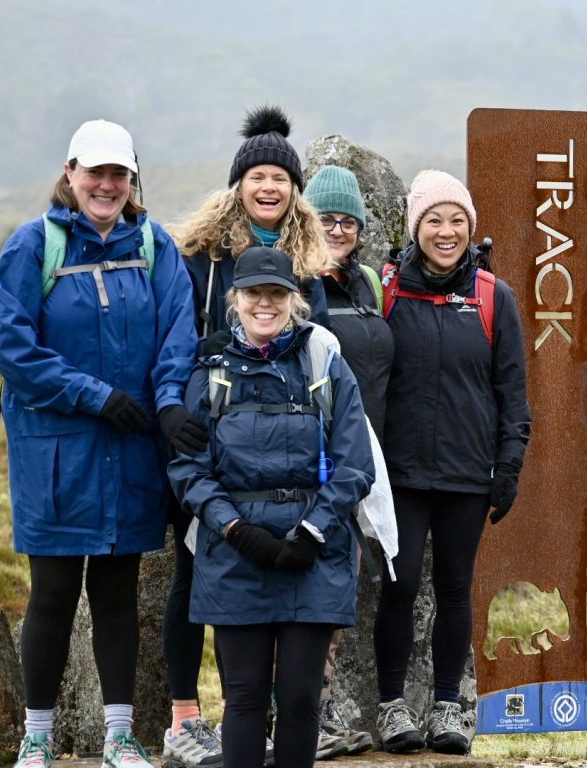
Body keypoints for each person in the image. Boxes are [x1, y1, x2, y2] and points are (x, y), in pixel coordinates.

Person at [0, 119, 199, 768]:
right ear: (71, 173)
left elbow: (178, 334)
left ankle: (119, 736)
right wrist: (95, 395)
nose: (106, 185)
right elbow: (14, 349)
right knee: (52, 592)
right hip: (55, 451)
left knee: (117, 594)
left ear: (132, 181)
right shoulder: (33, 247)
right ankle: (37, 737)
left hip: (133, 447)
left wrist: (166, 402)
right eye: (95, 173)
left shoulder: (156, 246)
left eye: (119, 174)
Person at [163, 105, 345, 765]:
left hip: (289, 435)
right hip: (210, 425)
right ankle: (184, 713)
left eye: (280, 177)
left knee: (288, 579)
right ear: (238, 182)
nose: (269, 186)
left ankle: (281, 715)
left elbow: (318, 346)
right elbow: (177, 336)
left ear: (295, 188)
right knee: (194, 567)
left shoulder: (309, 257)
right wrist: (178, 409)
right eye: (257, 175)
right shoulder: (202, 254)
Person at [167, 246, 375, 768]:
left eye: (277, 293)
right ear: (235, 299)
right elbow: (188, 470)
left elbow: (355, 464)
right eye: (254, 293)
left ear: (295, 299)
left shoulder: (325, 364)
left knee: (302, 699)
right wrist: (236, 529)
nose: (265, 303)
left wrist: (312, 532)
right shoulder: (210, 374)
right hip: (235, 555)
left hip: (314, 556)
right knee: (244, 699)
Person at [371, 170, 531, 755]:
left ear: (471, 228)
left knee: (455, 589)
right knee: (400, 583)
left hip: (467, 472)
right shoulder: (387, 289)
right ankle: (390, 706)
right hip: (401, 472)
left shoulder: (493, 296)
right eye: (434, 220)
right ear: (416, 227)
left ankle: (446, 708)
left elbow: (512, 390)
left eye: (457, 219)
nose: (446, 231)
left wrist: (509, 465)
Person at [303, 165, 396, 754]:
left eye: (348, 220)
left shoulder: (367, 282)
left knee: (338, 590)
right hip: (307, 457)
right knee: (305, 586)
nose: (338, 229)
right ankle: (296, 717)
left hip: (363, 458)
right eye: (326, 218)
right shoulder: (292, 277)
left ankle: (320, 709)